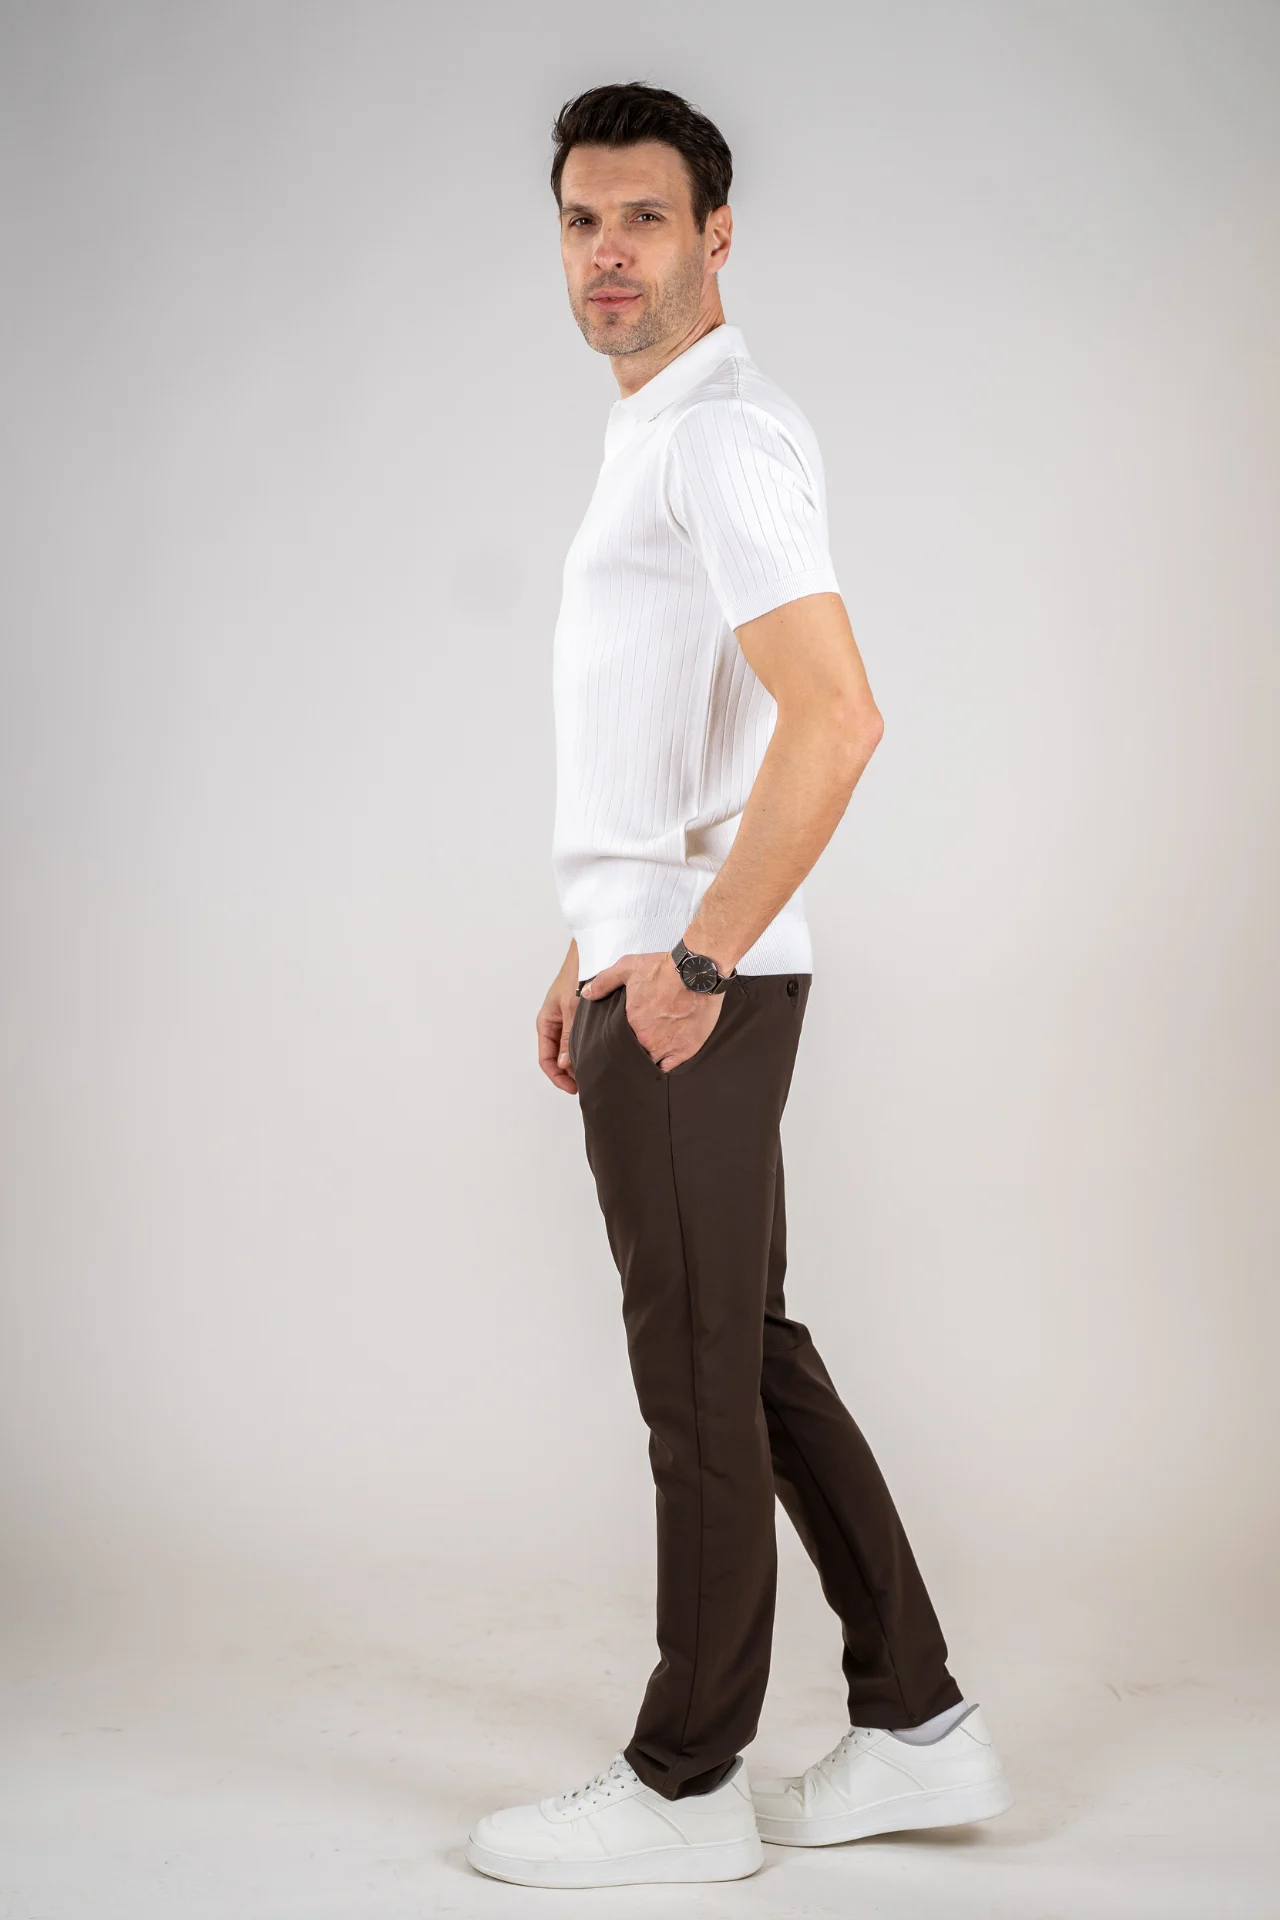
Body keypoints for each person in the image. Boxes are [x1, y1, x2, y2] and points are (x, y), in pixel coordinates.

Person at [465, 81, 1013, 1891]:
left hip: (699, 991)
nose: (607, 253)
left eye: (645, 218)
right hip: (656, 965)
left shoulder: (719, 436)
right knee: (748, 1358)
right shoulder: (661, 432)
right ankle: (918, 1722)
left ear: (717, 235)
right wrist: (594, 930)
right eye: (580, 221)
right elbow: (684, 731)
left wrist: (690, 957)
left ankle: (686, 1781)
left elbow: (836, 718)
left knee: (693, 1389)